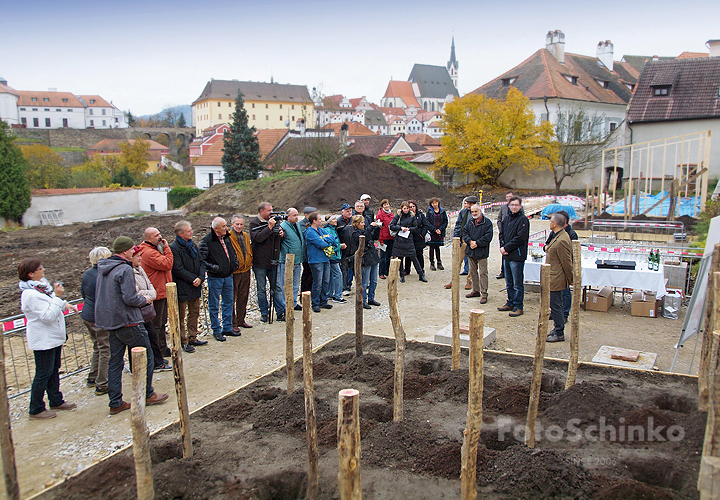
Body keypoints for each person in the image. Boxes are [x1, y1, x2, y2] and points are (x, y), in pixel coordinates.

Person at [95, 236, 169, 415]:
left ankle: (115, 401)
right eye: (131, 249)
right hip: (128, 320)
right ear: (126, 251)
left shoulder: (104, 268)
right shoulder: (124, 269)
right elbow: (130, 297)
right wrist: (145, 299)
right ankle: (147, 393)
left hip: (112, 321)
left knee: (115, 360)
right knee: (146, 355)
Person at [19, 259, 78, 419]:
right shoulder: (30, 294)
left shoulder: (41, 288)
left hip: (53, 337)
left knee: (53, 370)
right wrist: (59, 299)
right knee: (43, 373)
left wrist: (64, 303)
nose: (43, 270)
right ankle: (36, 408)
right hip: (43, 339)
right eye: (40, 268)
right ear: (31, 274)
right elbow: (47, 316)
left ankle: (56, 400)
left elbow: (52, 301)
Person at [170, 220, 209, 352]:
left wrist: (200, 277)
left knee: (194, 313)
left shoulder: (192, 245)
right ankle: (183, 341)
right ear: (180, 234)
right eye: (188, 231)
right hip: (183, 286)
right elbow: (178, 269)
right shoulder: (174, 248)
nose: (191, 232)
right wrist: (194, 278)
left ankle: (193, 336)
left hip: (195, 285)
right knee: (181, 316)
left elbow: (201, 262)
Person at [199, 217, 240, 341]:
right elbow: (202, 260)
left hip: (228, 275)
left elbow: (231, 253)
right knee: (214, 305)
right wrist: (215, 268)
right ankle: (216, 330)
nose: (226, 228)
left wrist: (234, 263)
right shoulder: (206, 241)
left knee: (228, 302)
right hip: (215, 278)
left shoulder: (226, 237)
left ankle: (227, 327)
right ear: (215, 228)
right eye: (223, 226)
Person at [132, 246, 171, 371]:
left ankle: (157, 359)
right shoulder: (129, 272)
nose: (140, 258)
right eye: (137, 256)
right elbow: (167, 263)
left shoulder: (140, 269)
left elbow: (149, 285)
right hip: (139, 310)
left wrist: (150, 293)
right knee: (147, 335)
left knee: (154, 331)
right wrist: (148, 294)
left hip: (148, 304)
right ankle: (150, 363)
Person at [80, 246, 112, 396]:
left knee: (97, 346)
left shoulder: (87, 273)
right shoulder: (102, 274)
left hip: (87, 314)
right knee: (105, 348)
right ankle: (103, 383)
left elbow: (83, 294)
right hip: (99, 316)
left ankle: (93, 377)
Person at [138, 227, 174, 357]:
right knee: (157, 324)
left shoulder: (154, 250)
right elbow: (167, 264)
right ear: (148, 238)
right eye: (156, 235)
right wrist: (167, 248)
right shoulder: (148, 253)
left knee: (161, 322)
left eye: (160, 233)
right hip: (157, 293)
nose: (160, 237)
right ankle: (157, 351)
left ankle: (162, 348)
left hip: (162, 291)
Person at [249, 202, 286, 322]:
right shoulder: (254, 223)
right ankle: (264, 313)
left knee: (277, 287)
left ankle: (280, 312)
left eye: (272, 210)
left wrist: (281, 233)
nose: (271, 212)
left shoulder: (274, 221)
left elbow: (280, 238)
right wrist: (269, 227)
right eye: (269, 210)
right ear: (261, 211)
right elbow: (258, 238)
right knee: (261, 289)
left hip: (274, 261)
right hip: (260, 263)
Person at [498, 196, 530, 317]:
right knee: (509, 282)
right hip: (506, 255)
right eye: (512, 205)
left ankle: (518, 306)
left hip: (517, 256)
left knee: (517, 283)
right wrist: (502, 246)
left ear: (520, 206)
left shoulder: (523, 220)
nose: (514, 207)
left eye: (516, 205)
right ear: (509, 206)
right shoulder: (506, 219)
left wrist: (506, 248)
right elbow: (502, 234)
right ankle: (510, 302)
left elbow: (520, 238)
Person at [545, 213, 574, 342]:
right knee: (555, 305)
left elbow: (566, 262)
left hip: (557, 278)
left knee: (556, 305)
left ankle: (559, 331)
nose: (549, 223)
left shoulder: (562, 239)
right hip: (553, 276)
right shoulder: (557, 236)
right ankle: (557, 327)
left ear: (555, 224)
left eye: (551, 221)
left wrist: (570, 279)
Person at [304, 212, 337, 312]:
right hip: (316, 260)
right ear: (314, 221)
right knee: (317, 282)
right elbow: (321, 244)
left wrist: (324, 238)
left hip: (325, 259)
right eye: (319, 219)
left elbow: (332, 237)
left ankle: (324, 301)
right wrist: (325, 239)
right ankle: (315, 303)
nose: (321, 221)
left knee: (326, 281)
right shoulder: (310, 232)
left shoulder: (320, 230)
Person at [462, 204, 494, 303]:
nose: (474, 213)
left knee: (483, 273)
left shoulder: (487, 222)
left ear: (480, 211)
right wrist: (470, 242)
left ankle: (484, 293)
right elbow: (464, 233)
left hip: (482, 251)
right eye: (472, 212)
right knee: (473, 272)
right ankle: (475, 290)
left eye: (476, 211)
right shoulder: (470, 222)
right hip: (471, 251)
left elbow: (488, 236)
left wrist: (477, 243)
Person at [445, 196, 477, 290]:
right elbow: (458, 225)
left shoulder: (478, 214)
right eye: (467, 203)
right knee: (457, 261)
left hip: (473, 241)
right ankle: (453, 280)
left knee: (472, 263)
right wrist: (456, 237)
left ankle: (469, 281)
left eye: (470, 204)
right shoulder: (463, 212)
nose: (467, 205)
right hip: (463, 240)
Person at [390, 202, 427, 283]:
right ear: (401, 209)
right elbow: (392, 226)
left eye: (407, 208)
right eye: (404, 209)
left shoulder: (412, 216)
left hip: (408, 239)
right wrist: (400, 228)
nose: (406, 210)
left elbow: (416, 227)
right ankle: (402, 276)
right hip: (399, 239)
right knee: (400, 258)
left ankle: (420, 274)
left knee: (414, 257)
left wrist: (409, 229)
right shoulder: (398, 215)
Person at [350, 215, 382, 309]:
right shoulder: (355, 234)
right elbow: (365, 238)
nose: (363, 224)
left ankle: (371, 298)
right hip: (365, 259)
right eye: (361, 223)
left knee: (374, 281)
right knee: (364, 282)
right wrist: (370, 227)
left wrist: (377, 228)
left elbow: (373, 237)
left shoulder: (365, 230)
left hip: (373, 257)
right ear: (356, 224)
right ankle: (363, 300)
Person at [228, 215, 254, 329]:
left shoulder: (245, 236)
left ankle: (240, 319)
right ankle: (233, 323)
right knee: (231, 298)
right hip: (234, 272)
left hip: (246, 270)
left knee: (243, 296)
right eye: (237, 224)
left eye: (241, 224)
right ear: (232, 224)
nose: (239, 226)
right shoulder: (228, 237)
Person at [279, 208, 304, 311]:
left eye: (297, 215)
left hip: (298, 259)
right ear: (287, 216)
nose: (297, 217)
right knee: (285, 284)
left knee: (295, 283)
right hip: (287, 260)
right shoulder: (283, 226)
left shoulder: (297, 225)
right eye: (294, 215)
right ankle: (285, 304)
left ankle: (293, 302)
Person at [324, 214, 347, 303]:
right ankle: (337, 295)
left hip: (335, 256)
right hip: (332, 256)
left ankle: (330, 294)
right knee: (338, 275)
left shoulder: (333, 230)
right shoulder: (328, 231)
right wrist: (339, 247)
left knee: (331, 275)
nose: (336, 221)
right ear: (329, 221)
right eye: (334, 219)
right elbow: (330, 246)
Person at [405, 200, 430, 276]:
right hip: (409, 237)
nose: (412, 208)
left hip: (419, 237)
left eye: (413, 206)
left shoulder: (421, 215)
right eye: (410, 207)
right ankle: (407, 270)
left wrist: (422, 234)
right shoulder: (407, 215)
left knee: (419, 254)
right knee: (408, 255)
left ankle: (421, 270)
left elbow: (425, 225)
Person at [496, 191, 515, 280]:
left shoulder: (517, 208)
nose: (508, 198)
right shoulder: (503, 207)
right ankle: (503, 271)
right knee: (503, 253)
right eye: (507, 197)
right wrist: (501, 229)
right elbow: (499, 219)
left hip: (512, 235)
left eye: (510, 196)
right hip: (503, 234)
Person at [336, 203, 355, 293]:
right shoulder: (338, 221)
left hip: (354, 248)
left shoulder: (354, 219)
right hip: (343, 249)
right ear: (342, 212)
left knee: (356, 267)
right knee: (344, 269)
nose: (349, 212)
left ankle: (358, 285)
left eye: (350, 210)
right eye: (347, 211)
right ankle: (344, 287)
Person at [426, 197, 448, 271]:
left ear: (438, 203)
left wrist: (441, 229)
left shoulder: (442, 211)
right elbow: (427, 222)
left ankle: (439, 262)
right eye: (433, 203)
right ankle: (432, 263)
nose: (434, 204)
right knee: (431, 248)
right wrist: (434, 230)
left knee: (437, 248)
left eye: (436, 203)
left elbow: (445, 221)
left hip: (440, 231)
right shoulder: (429, 211)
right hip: (432, 232)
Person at [376, 199, 395, 280]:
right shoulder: (380, 214)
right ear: (382, 206)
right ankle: (381, 272)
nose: (387, 206)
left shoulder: (391, 213)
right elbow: (378, 228)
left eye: (387, 204)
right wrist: (381, 240)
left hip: (391, 237)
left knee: (389, 256)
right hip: (384, 237)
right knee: (382, 256)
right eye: (385, 205)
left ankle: (387, 271)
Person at [299, 206, 316, 295]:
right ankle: (304, 295)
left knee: (312, 276)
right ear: (306, 215)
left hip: (312, 254)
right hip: (306, 254)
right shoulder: (302, 225)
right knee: (307, 275)